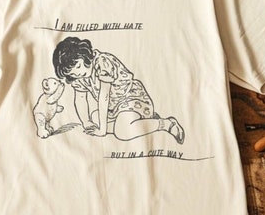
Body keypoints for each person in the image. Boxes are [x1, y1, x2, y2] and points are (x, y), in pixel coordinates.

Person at [52, 36, 184, 143]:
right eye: (72, 73)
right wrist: (86, 122)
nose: (78, 73)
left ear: (84, 55)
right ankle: (143, 122)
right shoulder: (79, 77)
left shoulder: (102, 62)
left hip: (132, 98)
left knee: (122, 132)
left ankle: (166, 124)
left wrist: (102, 130)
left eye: (78, 66)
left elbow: (104, 96)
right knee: (95, 117)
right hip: (113, 109)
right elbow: (80, 99)